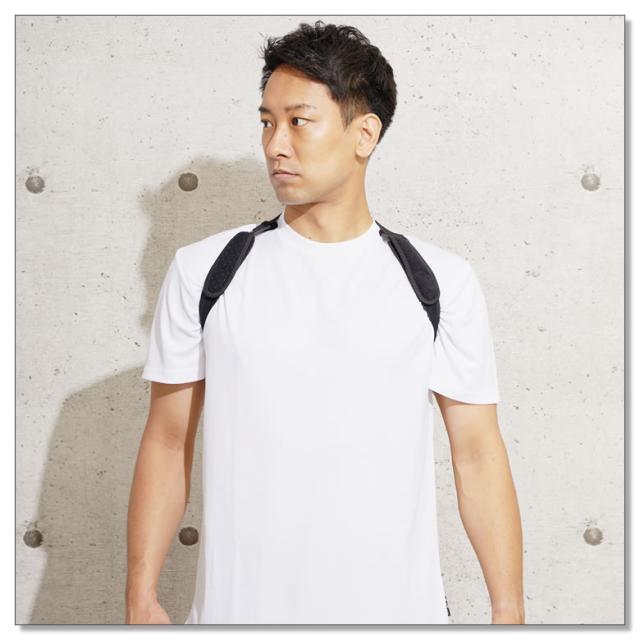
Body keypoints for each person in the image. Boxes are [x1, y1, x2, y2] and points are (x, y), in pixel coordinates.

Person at [126, 20, 524, 625]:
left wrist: (509, 611)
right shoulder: (205, 270)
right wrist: (140, 596)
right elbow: (166, 439)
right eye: (267, 122)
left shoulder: (439, 281)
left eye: (299, 121)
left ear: (365, 134)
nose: (275, 145)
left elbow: (477, 454)